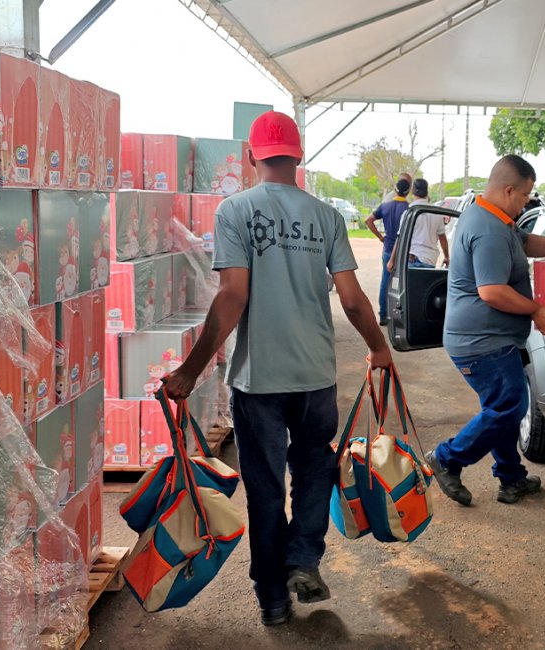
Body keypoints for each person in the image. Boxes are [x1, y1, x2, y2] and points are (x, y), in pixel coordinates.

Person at [163, 111, 393, 626]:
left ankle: (272, 599)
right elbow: (353, 300)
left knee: (265, 489)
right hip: (316, 375)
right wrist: (379, 347)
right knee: (314, 469)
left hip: (259, 381)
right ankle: (304, 559)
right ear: (299, 156)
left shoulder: (234, 211)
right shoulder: (328, 218)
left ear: (251, 157)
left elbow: (233, 295)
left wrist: (189, 371)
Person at [425, 155, 545, 506]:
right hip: (482, 342)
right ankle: (447, 458)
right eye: (526, 195)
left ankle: (511, 479)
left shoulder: (495, 219)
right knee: (510, 407)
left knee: (500, 407)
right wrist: (535, 309)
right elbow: (492, 291)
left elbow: (525, 241)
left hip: (487, 338)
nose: (527, 201)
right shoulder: (488, 230)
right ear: (509, 189)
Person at [366, 177, 411, 325]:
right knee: (400, 283)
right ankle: (398, 315)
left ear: (395, 190)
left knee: (385, 282)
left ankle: (383, 315)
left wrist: (380, 237)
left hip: (387, 249)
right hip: (403, 251)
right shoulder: (409, 209)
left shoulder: (385, 206)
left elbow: (368, 220)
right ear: (408, 191)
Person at [386, 177, 449, 271]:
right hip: (430, 260)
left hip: (411, 260)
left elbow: (400, 238)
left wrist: (392, 260)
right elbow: (442, 238)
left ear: (412, 191)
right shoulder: (436, 213)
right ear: (427, 192)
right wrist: (447, 256)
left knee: (407, 285)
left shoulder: (409, 212)